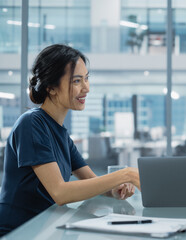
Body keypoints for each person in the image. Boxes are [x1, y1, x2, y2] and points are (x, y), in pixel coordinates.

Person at [0, 44, 140, 236]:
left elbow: (92, 182)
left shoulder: (61, 134)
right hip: (19, 232)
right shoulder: (31, 123)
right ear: (51, 88)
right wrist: (125, 175)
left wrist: (113, 190)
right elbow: (60, 192)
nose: (86, 88)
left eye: (87, 79)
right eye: (77, 81)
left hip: (47, 227)